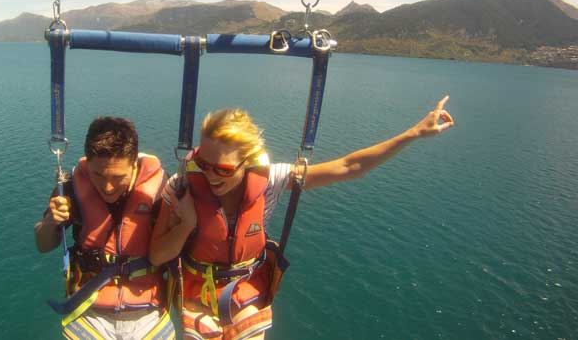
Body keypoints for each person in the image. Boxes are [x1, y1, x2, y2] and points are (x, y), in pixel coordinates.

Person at [150, 96, 455, 340]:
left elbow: (350, 166)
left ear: (247, 161)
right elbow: (157, 255)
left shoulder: (271, 181)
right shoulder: (183, 186)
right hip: (195, 292)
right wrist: (187, 223)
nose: (210, 173)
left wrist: (413, 133)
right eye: (204, 162)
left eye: (224, 169)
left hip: (246, 289)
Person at [35, 116, 175, 340]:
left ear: (134, 165)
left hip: (148, 310)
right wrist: (52, 221)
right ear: (87, 162)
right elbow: (43, 245)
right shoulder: (72, 188)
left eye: (118, 177)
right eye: (98, 175)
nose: (107, 187)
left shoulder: (159, 190)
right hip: (90, 309)